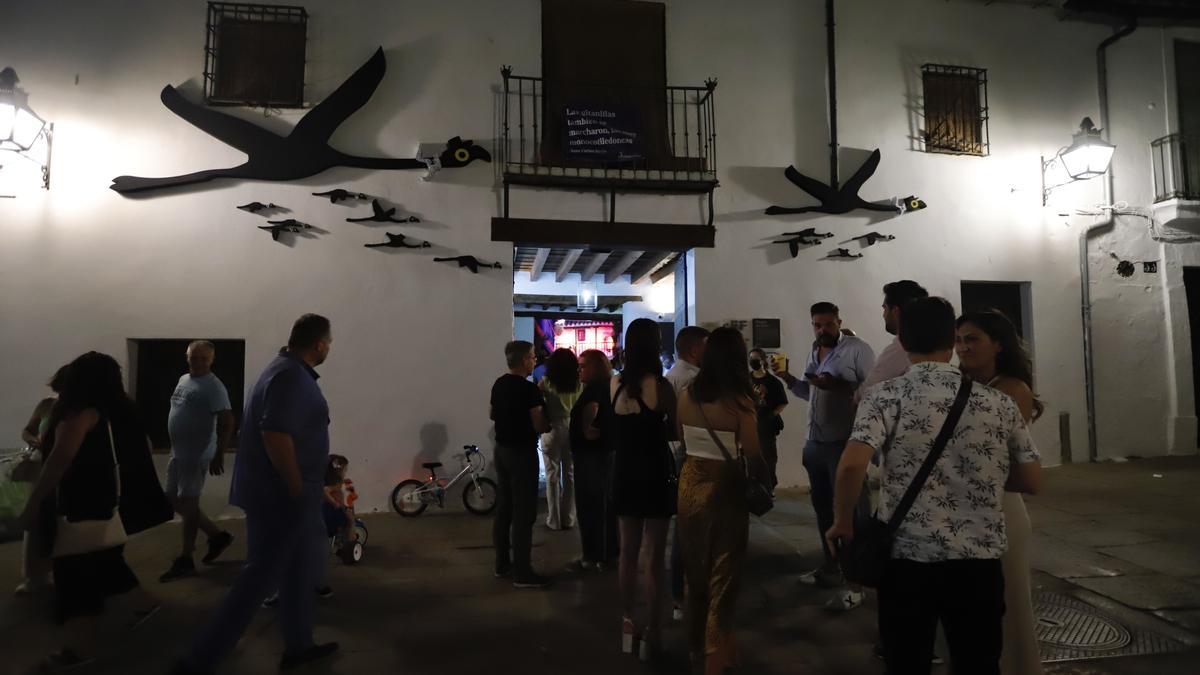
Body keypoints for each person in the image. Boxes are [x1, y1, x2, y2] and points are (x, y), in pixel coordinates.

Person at [826, 297, 1043, 675]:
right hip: (978, 558)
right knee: (977, 661)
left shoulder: (884, 396)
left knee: (907, 659)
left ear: (904, 342)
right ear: (950, 340)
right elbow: (1030, 480)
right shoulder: (998, 402)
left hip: (908, 557)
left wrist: (843, 521)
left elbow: (851, 466)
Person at [176, 314, 339, 674]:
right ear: (320, 344)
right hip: (281, 496)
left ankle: (298, 646)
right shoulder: (290, 376)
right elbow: (276, 434)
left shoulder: (285, 370)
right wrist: (297, 489)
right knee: (257, 580)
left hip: (290, 492)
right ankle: (198, 661)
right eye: (330, 343)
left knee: (298, 572)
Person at [17, 353, 167, 671]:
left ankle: (80, 649)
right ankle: (147, 608)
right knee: (106, 563)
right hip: (107, 504)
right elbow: (148, 447)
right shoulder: (121, 410)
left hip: (76, 506)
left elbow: (59, 461)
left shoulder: (79, 413)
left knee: (74, 579)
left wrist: (33, 504)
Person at [956, 310, 1046, 675]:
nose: (962, 347)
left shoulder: (1010, 389)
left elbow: (1008, 462)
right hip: (961, 509)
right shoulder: (958, 382)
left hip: (999, 508)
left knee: (1007, 604)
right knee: (967, 610)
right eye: (959, 339)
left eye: (972, 339)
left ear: (998, 344)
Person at [773, 302, 875, 610]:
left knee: (854, 511)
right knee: (821, 508)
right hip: (815, 441)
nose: (822, 330)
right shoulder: (814, 350)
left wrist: (839, 386)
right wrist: (790, 381)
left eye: (828, 324)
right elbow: (811, 393)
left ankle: (859, 579)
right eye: (817, 325)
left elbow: (872, 393)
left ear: (839, 322)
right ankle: (832, 567)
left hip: (845, 441)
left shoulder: (858, 350)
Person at [676, 327, 764, 674]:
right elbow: (754, 453)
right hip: (724, 489)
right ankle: (717, 657)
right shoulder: (739, 402)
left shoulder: (686, 395)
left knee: (695, 573)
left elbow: (680, 437)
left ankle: (697, 650)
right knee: (724, 575)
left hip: (689, 485)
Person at [611, 318, 678, 660]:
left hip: (623, 473)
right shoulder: (662, 387)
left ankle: (627, 623)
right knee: (653, 559)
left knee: (627, 555)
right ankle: (653, 631)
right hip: (654, 473)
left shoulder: (615, 384)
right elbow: (675, 432)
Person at [159, 340, 236, 583]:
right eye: (194, 358)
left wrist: (219, 453)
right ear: (187, 357)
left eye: (204, 359)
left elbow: (227, 421)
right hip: (178, 452)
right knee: (172, 500)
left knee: (189, 503)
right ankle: (216, 535)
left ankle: (186, 558)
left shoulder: (215, 387)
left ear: (211, 360)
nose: (199, 362)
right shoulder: (184, 379)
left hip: (198, 454)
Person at [490, 340, 552, 588]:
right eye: (533, 357)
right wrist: (548, 424)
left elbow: (492, 414)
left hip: (501, 450)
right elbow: (539, 424)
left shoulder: (499, 384)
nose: (535, 361)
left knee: (504, 510)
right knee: (524, 513)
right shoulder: (529, 390)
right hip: (521, 453)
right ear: (524, 359)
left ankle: (502, 564)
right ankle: (523, 573)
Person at [665, 325, 709, 620]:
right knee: (692, 527)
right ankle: (687, 595)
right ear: (694, 349)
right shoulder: (693, 379)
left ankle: (679, 596)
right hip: (693, 454)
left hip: (679, 452)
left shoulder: (671, 375)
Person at [14, 366, 67, 596]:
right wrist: (33, 439)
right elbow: (27, 430)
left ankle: (59, 572)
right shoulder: (48, 404)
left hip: (63, 472)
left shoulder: (78, 412)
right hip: (39, 467)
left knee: (59, 522)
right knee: (36, 523)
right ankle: (35, 576)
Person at [568, 349, 617, 571]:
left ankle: (592, 555)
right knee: (605, 504)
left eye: (583, 366)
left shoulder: (594, 392)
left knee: (590, 505)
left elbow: (591, 417)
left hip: (590, 456)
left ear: (595, 367)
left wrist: (588, 429)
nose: (579, 370)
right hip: (602, 454)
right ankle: (607, 554)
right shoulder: (609, 387)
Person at [857, 280, 929, 402]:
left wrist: (855, 398)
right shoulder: (932, 342)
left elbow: (868, 392)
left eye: (885, 308)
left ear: (895, 311)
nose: (883, 314)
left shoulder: (901, 348)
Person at [539, 348, 581, 530]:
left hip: (552, 427)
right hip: (573, 427)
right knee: (570, 474)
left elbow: (539, 405)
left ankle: (554, 520)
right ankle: (569, 518)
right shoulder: (578, 383)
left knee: (551, 475)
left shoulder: (546, 383)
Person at [749, 347, 787, 490]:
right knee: (751, 458)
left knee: (768, 458)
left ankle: (769, 486)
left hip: (766, 426)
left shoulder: (773, 382)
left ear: (763, 360)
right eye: (751, 358)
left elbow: (782, 402)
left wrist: (772, 415)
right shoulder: (746, 379)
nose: (753, 361)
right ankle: (754, 486)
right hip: (749, 424)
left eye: (756, 358)